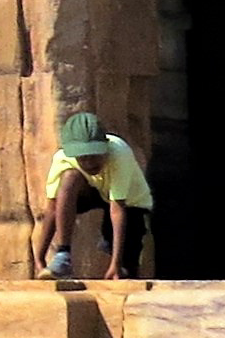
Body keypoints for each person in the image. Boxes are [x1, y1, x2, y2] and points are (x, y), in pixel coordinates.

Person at [33, 110, 157, 281]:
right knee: (70, 178)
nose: (90, 163)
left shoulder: (119, 153)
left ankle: (123, 268)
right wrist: (39, 257)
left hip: (130, 202)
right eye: (83, 158)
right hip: (93, 191)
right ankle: (63, 256)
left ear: (105, 148)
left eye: (95, 156)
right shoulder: (63, 159)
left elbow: (117, 208)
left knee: (128, 262)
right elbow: (52, 209)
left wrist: (116, 263)